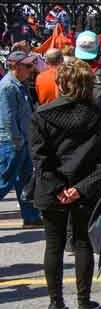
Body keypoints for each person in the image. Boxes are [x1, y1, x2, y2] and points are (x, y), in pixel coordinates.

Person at [29, 58, 101, 309]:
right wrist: (80, 188)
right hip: (83, 187)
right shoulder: (98, 116)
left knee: (53, 244)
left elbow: (39, 157)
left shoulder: (42, 114)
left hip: (52, 186)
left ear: (61, 84)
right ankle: (83, 300)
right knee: (82, 242)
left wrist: (57, 188)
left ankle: (55, 302)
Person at [0, 50, 42, 227]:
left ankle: (31, 217)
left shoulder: (18, 84)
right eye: (27, 66)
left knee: (25, 180)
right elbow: (8, 117)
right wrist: (17, 142)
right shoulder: (8, 86)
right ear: (16, 66)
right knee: (4, 181)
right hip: (13, 142)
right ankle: (31, 216)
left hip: (22, 141)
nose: (31, 69)